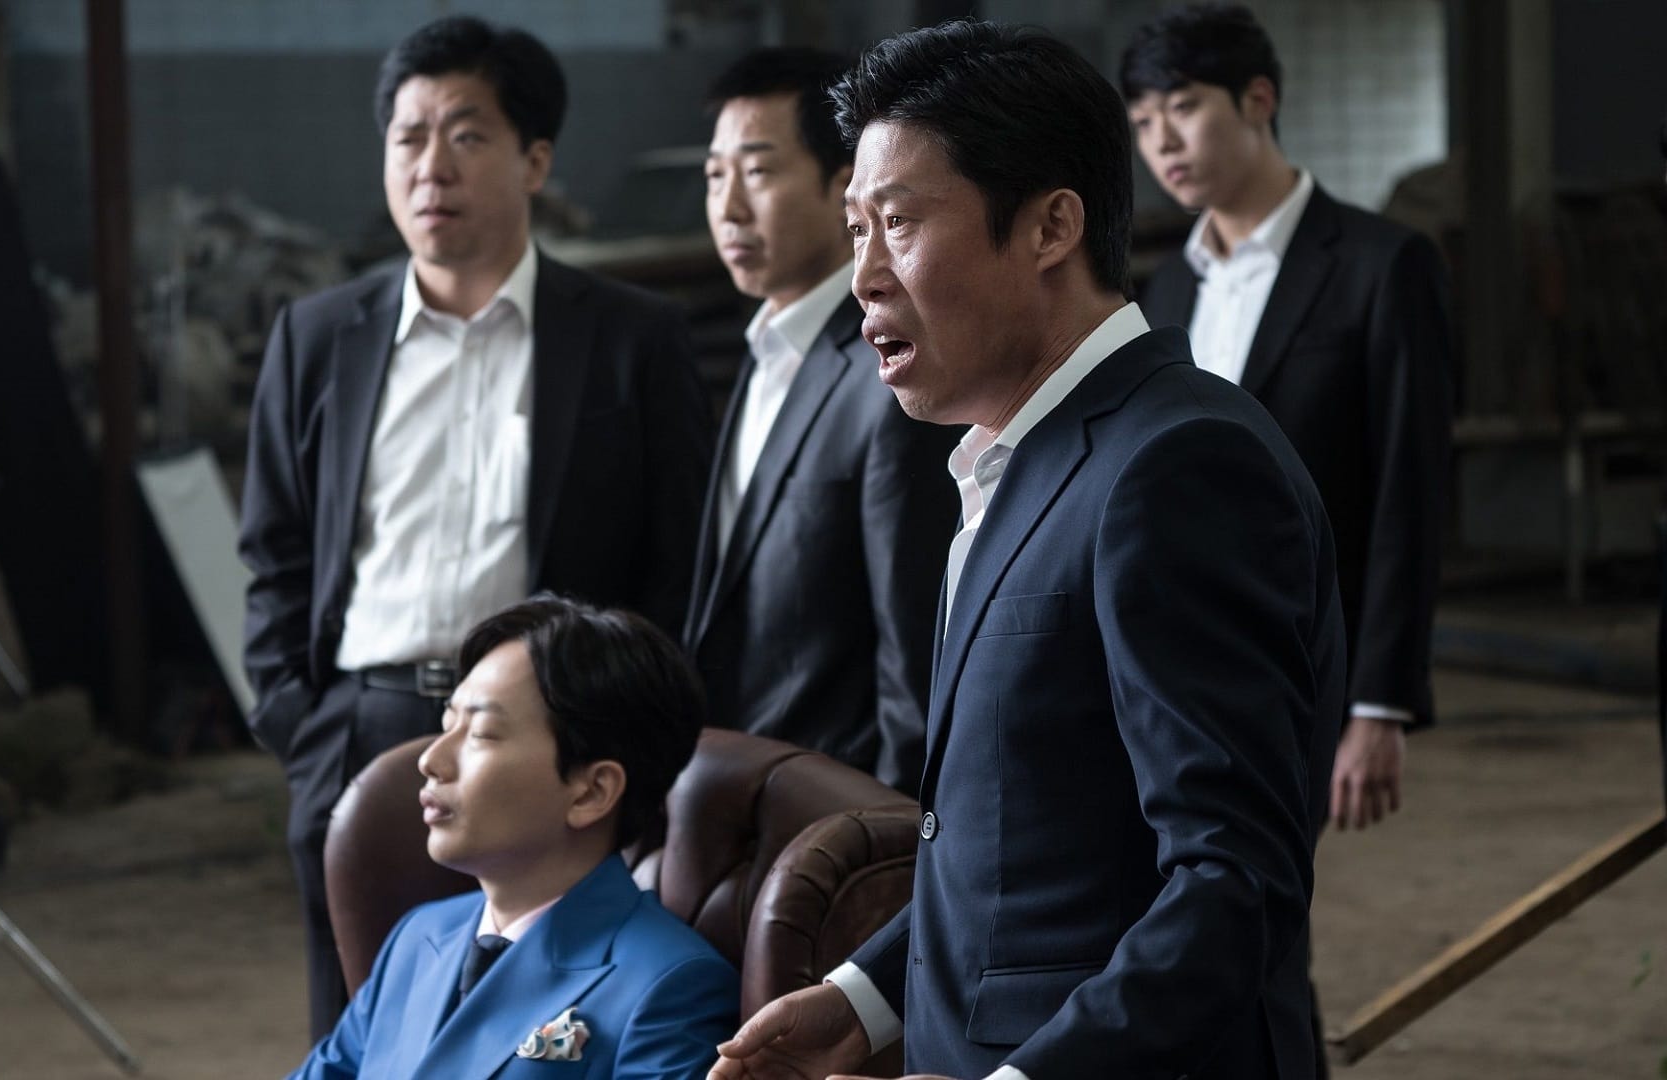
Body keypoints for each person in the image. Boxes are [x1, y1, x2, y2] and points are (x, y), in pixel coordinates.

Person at [712, 20, 1345, 1080]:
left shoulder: (1178, 465)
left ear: (1052, 226)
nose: (864, 276)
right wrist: (867, 1000)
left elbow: (1233, 883)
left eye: (899, 224)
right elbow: (1020, 847)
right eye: (856, 228)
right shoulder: (1005, 465)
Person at [239, 15, 713, 1039]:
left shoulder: (630, 339)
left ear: (535, 160)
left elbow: (679, 563)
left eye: (466, 134)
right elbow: (274, 554)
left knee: (544, 1026)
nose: (431, 166)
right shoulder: (318, 339)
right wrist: (302, 726)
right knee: (361, 1027)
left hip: (546, 754)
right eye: (408, 137)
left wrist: (614, 748)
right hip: (358, 733)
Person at [1124, 3, 1454, 836]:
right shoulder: (1169, 286)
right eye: (1143, 121)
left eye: (1184, 107)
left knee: (1268, 891)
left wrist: (1378, 705)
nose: (1163, 142)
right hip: (1172, 661)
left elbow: (1410, 493)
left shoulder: (1382, 265)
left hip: (1303, 659)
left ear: (1259, 100)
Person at [286, 595, 739, 1080]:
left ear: (591, 791)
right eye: (446, 724)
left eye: (481, 733)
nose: (431, 759)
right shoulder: (419, 936)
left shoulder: (670, 985)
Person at [684, 47, 959, 794]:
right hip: (741, 798)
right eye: (714, 175)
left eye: (758, 172)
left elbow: (912, 655)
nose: (728, 208)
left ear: (845, 189)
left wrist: (891, 836)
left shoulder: (889, 372)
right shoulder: (765, 349)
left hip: (838, 810)